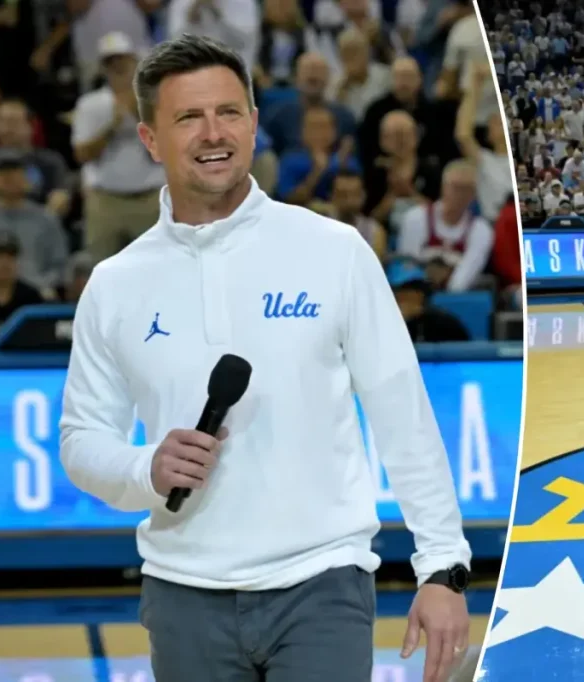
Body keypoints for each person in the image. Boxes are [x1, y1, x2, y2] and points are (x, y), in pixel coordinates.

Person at [58, 35, 472, 682]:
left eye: (228, 112)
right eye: (188, 117)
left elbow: (403, 414)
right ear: (150, 139)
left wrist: (442, 567)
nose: (212, 133)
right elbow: (81, 440)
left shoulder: (334, 251)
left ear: (253, 124)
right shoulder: (115, 284)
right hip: (182, 593)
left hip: (323, 585)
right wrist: (145, 467)